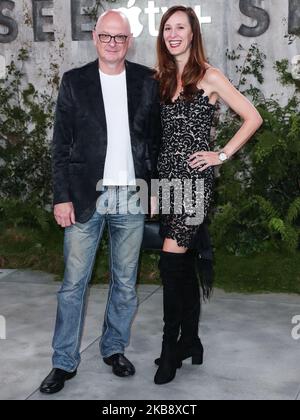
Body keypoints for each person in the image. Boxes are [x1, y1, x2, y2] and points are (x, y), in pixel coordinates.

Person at [40, 10, 161, 394]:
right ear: (95, 38)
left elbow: (155, 143)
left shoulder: (146, 81)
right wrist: (61, 197)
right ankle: (63, 362)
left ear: (129, 41)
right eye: (106, 36)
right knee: (73, 284)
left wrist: (155, 189)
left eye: (120, 38)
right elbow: (60, 146)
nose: (113, 43)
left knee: (125, 284)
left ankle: (113, 349)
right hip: (84, 196)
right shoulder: (75, 82)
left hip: (131, 198)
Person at [153, 5, 263, 385]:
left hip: (195, 184)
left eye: (180, 27)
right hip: (165, 182)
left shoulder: (210, 75)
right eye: (168, 28)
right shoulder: (163, 78)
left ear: (192, 33)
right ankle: (192, 341)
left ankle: (170, 348)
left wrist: (221, 154)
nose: (173, 34)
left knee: (170, 265)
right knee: (181, 268)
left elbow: (253, 117)